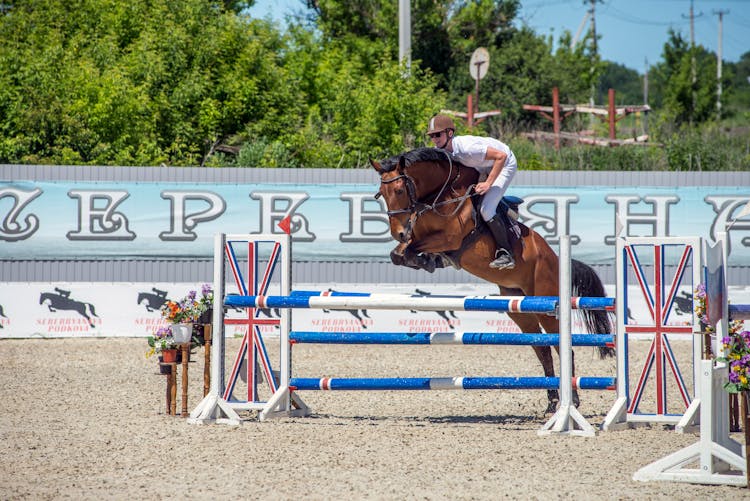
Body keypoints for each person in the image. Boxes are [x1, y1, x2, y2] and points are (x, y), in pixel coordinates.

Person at [427, 114, 517, 269]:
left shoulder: (467, 147)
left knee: (486, 209)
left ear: (450, 133)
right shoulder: (443, 150)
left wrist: (488, 183)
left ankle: (506, 253)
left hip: (504, 162)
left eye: (438, 134)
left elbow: (500, 157)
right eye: (432, 136)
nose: (435, 139)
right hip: (482, 166)